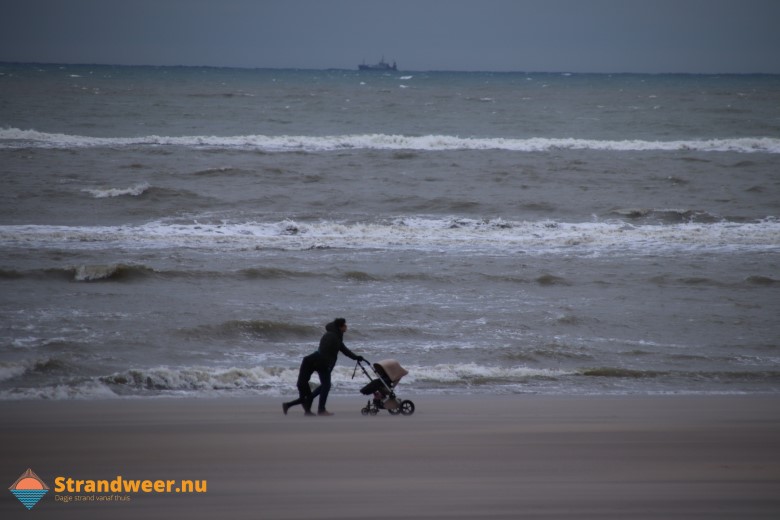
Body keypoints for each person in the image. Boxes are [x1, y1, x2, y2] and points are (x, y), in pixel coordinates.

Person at [314, 318, 365, 416]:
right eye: (345, 325)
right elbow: (340, 350)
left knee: (324, 385)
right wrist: (327, 364)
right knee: (326, 385)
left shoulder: (333, 335)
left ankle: (308, 399)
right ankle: (321, 410)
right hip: (324, 364)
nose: (346, 327)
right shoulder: (334, 337)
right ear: (340, 327)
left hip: (321, 363)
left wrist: (356, 357)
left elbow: (343, 349)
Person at [282, 352, 321, 416]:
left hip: (300, 383)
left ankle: (288, 405)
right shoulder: (308, 364)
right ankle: (306, 411)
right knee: (309, 397)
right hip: (303, 383)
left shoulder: (305, 364)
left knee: (302, 399)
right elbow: (315, 367)